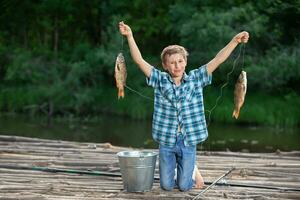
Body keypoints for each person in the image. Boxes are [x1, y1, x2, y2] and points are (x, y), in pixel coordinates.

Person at [118, 21, 249, 191]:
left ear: (186, 62)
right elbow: (138, 60)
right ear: (165, 66)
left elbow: (218, 59)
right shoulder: (160, 80)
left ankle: (193, 169)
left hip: (188, 140)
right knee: (166, 186)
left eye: (180, 61)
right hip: (167, 141)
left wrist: (235, 41)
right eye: (172, 63)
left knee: (185, 186)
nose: (177, 66)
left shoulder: (196, 78)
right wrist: (129, 36)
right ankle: (183, 169)